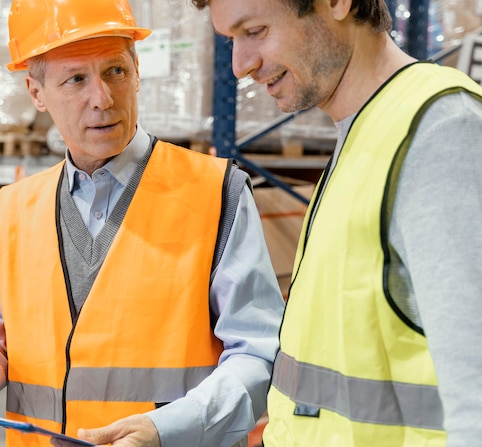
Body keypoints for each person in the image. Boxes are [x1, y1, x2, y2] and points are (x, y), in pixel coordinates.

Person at [0, 0, 286, 446]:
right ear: (36, 92)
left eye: (115, 71)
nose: (103, 98)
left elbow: (259, 353)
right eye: (76, 79)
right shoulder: (13, 209)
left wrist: (166, 429)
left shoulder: (216, 191)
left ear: (136, 70)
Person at [189, 0, 482, 445]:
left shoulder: (441, 131)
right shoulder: (366, 132)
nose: (240, 66)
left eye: (255, 31)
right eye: (232, 40)